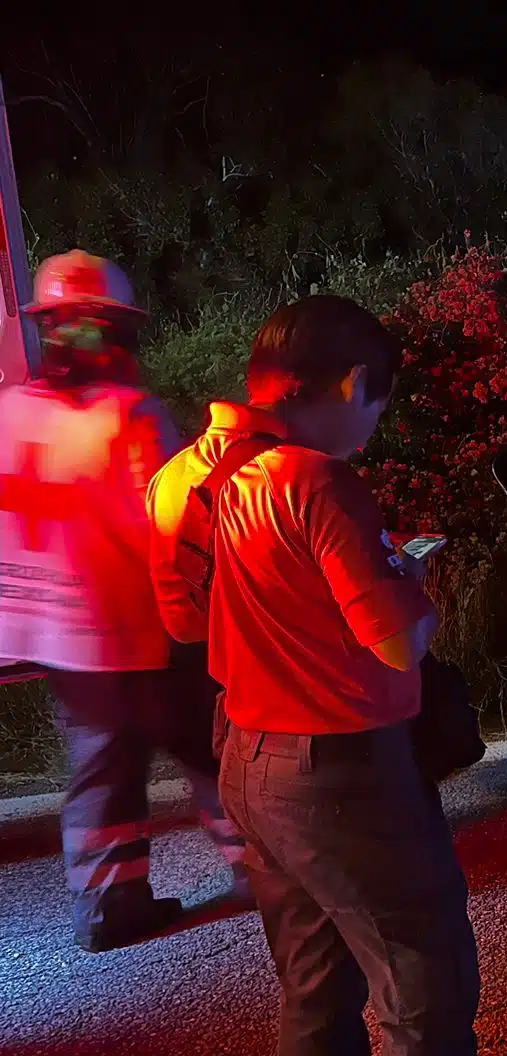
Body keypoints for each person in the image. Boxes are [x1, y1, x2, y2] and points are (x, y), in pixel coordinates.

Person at [146, 296, 478, 1056]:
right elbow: (397, 643)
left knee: (313, 966)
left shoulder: (182, 479)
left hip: (247, 754)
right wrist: (412, 581)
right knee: (426, 984)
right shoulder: (319, 483)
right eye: (378, 407)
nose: (373, 428)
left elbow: (184, 618)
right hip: (341, 768)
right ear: (354, 384)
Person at [0, 249, 247, 953]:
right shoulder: (130, 415)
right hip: (136, 628)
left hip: (54, 640)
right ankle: (270, 868)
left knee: (102, 769)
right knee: (212, 748)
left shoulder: (9, 412)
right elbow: (171, 529)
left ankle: (110, 906)